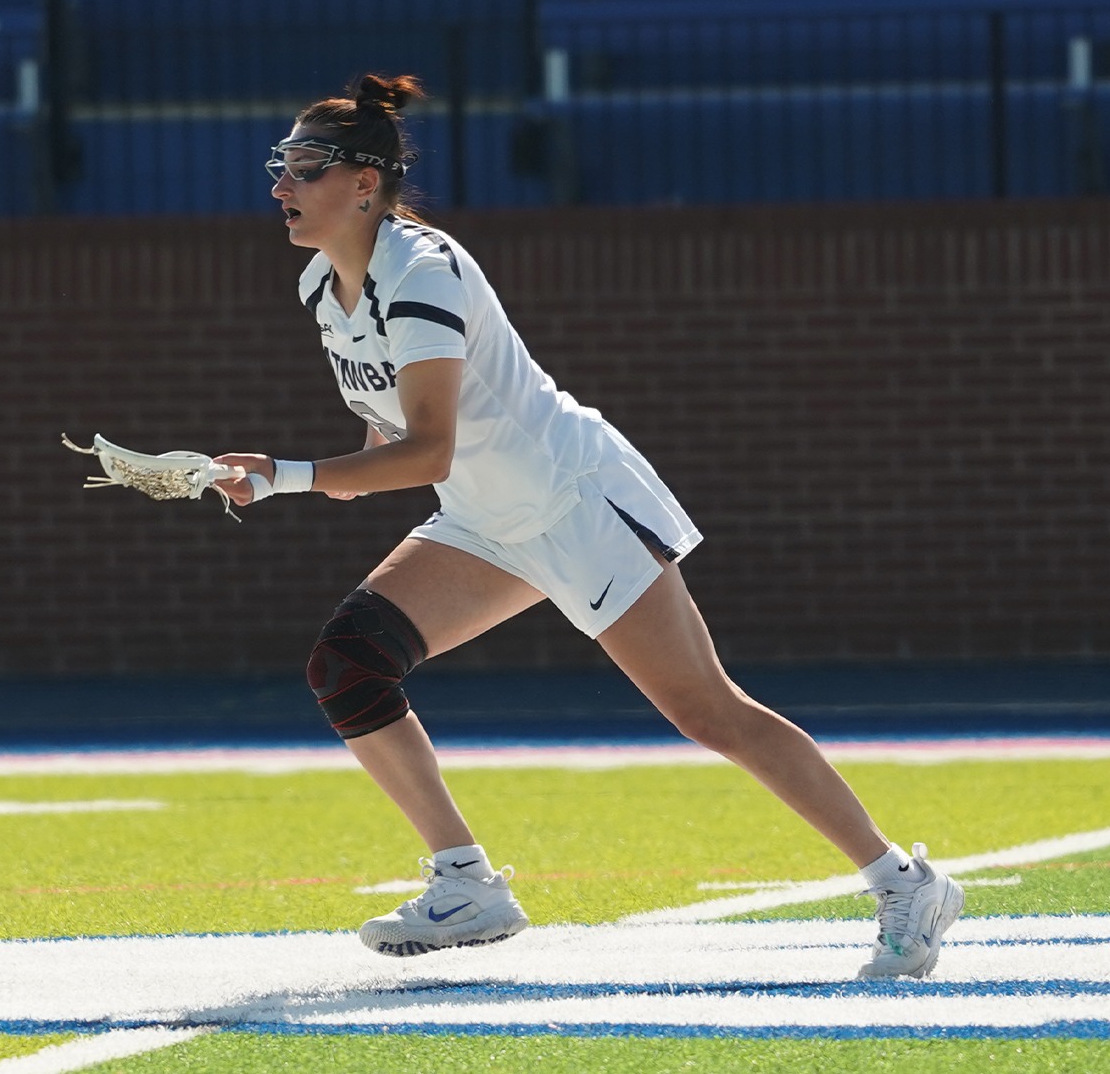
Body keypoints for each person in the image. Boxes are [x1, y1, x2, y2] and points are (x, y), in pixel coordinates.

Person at [212, 73, 963, 978]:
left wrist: (295, 478)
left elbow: (432, 448)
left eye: (302, 167)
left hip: (572, 499)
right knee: (348, 664)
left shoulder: (421, 268)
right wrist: (283, 477)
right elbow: (389, 438)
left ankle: (903, 881)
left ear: (364, 184)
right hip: (486, 518)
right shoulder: (320, 288)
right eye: (279, 166)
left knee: (708, 712)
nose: (280, 185)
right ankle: (467, 883)